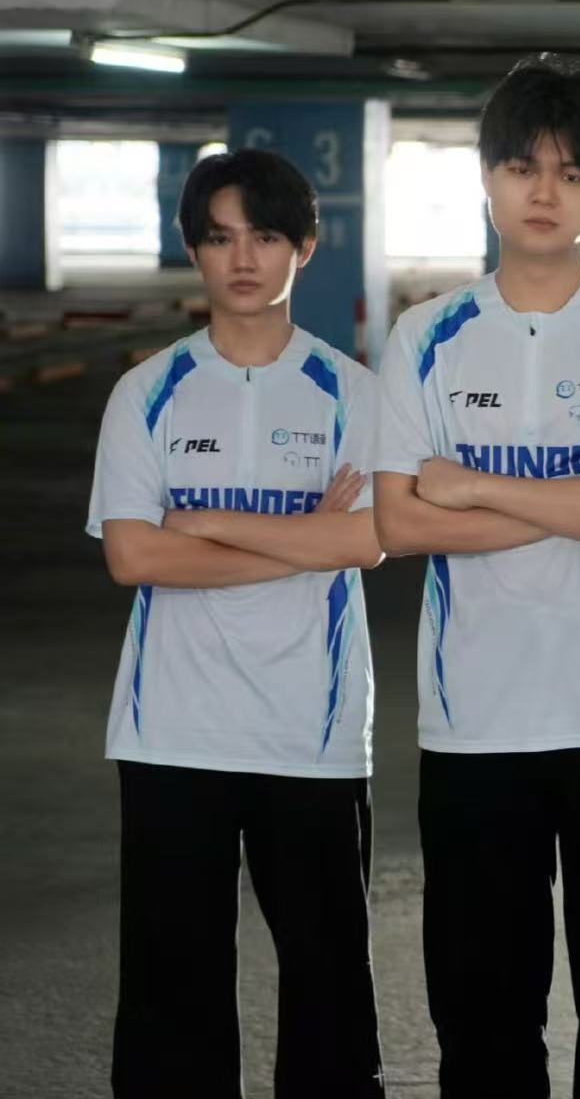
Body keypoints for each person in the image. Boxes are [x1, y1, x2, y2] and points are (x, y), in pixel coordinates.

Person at [372, 54, 580, 1098]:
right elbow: (398, 520)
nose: (544, 192)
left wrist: (470, 486)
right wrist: (577, 493)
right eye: (522, 167)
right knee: (482, 1026)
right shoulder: (425, 336)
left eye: (571, 172)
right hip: (473, 726)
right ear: (486, 174)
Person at [87, 148, 387, 1098]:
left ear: (305, 246)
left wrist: (206, 523)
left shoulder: (353, 392)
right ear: (194, 251)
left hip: (313, 733)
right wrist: (304, 540)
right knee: (170, 993)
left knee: (329, 988)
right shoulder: (147, 392)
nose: (243, 258)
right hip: (172, 732)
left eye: (264, 236)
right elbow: (135, 558)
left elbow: (367, 541)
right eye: (220, 238)